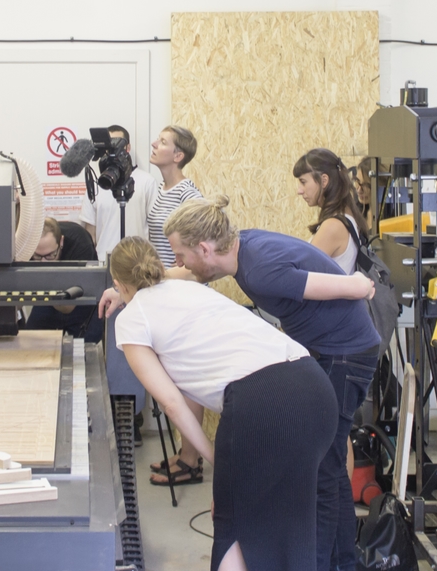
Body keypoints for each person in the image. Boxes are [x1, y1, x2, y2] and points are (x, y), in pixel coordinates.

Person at [102, 197, 379, 571]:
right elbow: (174, 276)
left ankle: (337, 563)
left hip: (294, 379)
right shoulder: (221, 265)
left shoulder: (255, 270)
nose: (180, 264)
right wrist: (127, 287)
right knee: (302, 501)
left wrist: (213, 458)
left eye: (181, 255)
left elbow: (171, 402)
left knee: (241, 517)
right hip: (310, 377)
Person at [79, 124, 158, 260]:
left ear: (127, 148)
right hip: (104, 261)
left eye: (117, 144)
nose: (112, 150)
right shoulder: (98, 183)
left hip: (137, 261)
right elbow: (90, 230)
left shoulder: (147, 181)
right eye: (109, 145)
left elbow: (155, 227)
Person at [24, 218, 103, 342]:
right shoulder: (26, 247)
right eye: (38, 256)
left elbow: (68, 307)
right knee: (30, 342)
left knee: (85, 348)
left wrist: (43, 281)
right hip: (48, 300)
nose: (43, 263)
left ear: (61, 242)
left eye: (50, 255)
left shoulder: (81, 244)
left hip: (82, 301)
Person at [293, 148, 366, 275]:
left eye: (303, 182)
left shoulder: (333, 226)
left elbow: (302, 274)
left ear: (324, 181)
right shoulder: (346, 215)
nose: (299, 190)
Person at [147, 125, 203, 267]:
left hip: (177, 280)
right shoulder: (161, 188)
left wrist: (181, 267)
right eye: (158, 139)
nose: (154, 144)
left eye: (163, 142)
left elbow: (206, 236)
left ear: (178, 156)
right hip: (161, 278)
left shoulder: (187, 193)